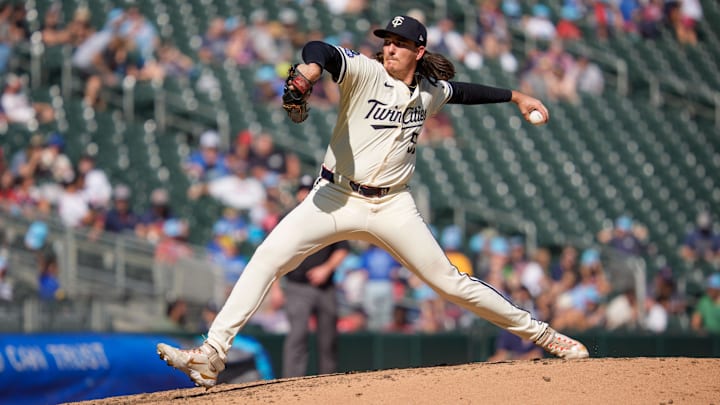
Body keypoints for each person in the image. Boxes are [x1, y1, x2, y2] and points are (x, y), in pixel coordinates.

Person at [157, 14, 589, 388]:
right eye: (387, 42)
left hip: (392, 206)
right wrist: (308, 72)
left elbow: (466, 92)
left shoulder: (428, 92)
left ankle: (547, 337)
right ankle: (213, 352)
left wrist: (517, 96)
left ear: (418, 51)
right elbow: (322, 49)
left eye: (400, 44)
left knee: (450, 283)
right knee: (268, 256)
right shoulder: (365, 72)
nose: (390, 49)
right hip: (334, 195)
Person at [278, 174, 350, 377]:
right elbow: (272, 254)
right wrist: (275, 288)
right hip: (297, 286)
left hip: (325, 287)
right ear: (298, 193)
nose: (306, 194)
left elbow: (342, 249)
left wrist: (326, 268)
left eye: (310, 190)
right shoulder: (287, 218)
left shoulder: (330, 217)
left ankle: (327, 386)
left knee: (328, 339)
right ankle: (290, 385)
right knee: (297, 336)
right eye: (303, 190)